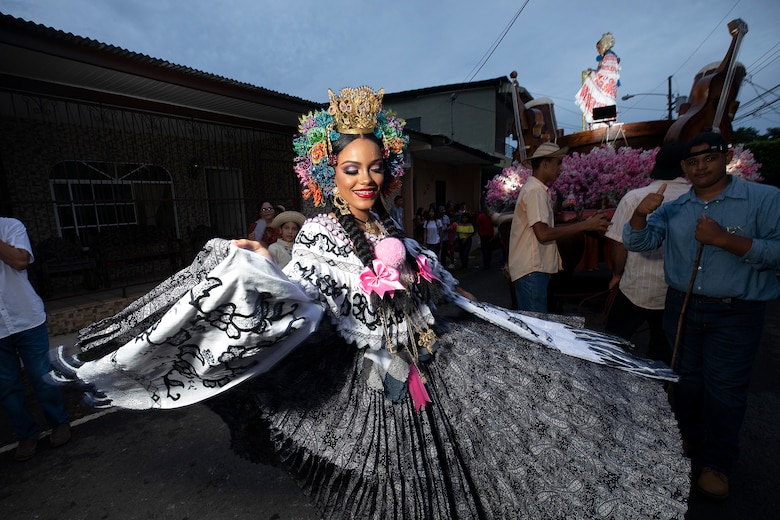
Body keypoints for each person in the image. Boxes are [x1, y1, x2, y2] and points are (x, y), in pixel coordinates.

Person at [50, 87, 687, 518]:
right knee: (388, 477)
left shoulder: (394, 228)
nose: (365, 179)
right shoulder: (322, 231)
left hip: (431, 361)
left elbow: (435, 282)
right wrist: (250, 263)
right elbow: (304, 291)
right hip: (372, 376)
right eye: (351, 169)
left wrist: (439, 287)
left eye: (376, 168)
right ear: (328, 172)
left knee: (457, 459)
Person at [624, 131, 780, 501]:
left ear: (724, 157)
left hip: (737, 311)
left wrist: (727, 240)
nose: (700, 167)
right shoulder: (675, 206)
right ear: (683, 168)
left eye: (708, 159)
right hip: (683, 305)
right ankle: (690, 437)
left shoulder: (765, 198)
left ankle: (719, 463)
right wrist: (639, 215)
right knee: (685, 381)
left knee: (725, 390)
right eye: (692, 162)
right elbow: (638, 242)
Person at [605, 142, 690, 363]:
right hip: (675, 291)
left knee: (612, 345)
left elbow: (619, 244)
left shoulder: (635, 197)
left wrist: (616, 274)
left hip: (636, 286)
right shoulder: (697, 199)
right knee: (663, 352)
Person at [507, 142, 611, 313]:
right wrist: (585, 225)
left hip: (531, 270)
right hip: (533, 270)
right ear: (546, 164)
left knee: (534, 327)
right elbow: (543, 234)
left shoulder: (535, 190)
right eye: (558, 163)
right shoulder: (536, 191)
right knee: (537, 330)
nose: (561, 169)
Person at [0, 217, 71, 461]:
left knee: (41, 376)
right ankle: (26, 434)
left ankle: (59, 422)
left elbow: (20, 261)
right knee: (7, 386)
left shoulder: (10, 227)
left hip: (26, 319)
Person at [575, 32, 621, 128]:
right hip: (605, 90)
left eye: (598, 48)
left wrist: (593, 75)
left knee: (602, 104)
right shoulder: (607, 57)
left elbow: (607, 73)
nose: (597, 51)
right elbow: (602, 71)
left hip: (606, 90)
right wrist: (594, 72)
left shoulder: (610, 56)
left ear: (604, 46)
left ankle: (603, 122)